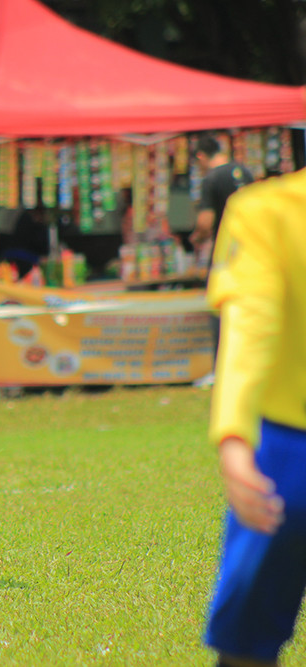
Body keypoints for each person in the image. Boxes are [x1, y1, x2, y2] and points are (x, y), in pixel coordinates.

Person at [202, 165, 306, 666]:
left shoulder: (263, 209)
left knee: (246, 648)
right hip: (286, 451)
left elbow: (249, 330)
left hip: (288, 453)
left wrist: (234, 436)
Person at [190, 134, 253, 388]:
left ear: (201, 157)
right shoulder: (245, 172)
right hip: (252, 250)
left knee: (220, 309)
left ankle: (221, 370)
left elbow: (206, 221)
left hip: (226, 254)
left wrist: (196, 238)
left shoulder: (211, 178)